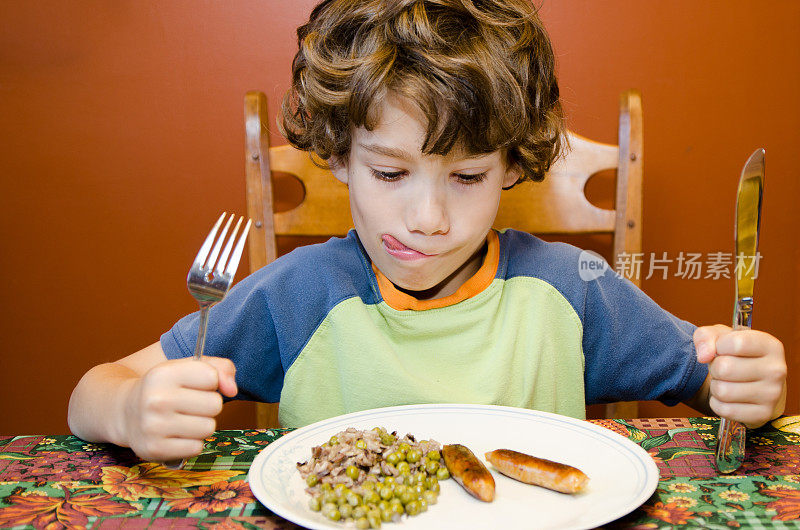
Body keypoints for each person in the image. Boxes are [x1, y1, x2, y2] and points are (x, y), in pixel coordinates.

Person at [68, 0, 786, 462]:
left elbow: (713, 384)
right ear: (341, 156)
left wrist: (748, 386)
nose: (428, 219)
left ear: (512, 165)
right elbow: (96, 391)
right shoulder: (299, 295)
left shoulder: (572, 290)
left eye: (467, 177)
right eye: (390, 175)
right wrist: (130, 409)